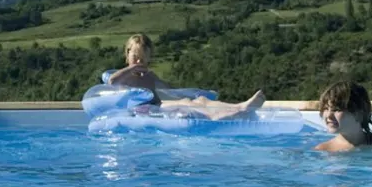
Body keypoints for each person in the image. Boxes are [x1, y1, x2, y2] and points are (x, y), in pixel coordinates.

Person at [107, 33, 265, 120]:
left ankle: (241, 106)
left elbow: (169, 89)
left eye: (143, 57)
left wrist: (192, 94)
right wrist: (130, 68)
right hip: (142, 111)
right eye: (135, 57)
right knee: (188, 108)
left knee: (197, 101)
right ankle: (219, 116)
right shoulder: (126, 77)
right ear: (127, 55)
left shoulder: (149, 75)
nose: (139, 61)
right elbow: (111, 81)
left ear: (150, 57)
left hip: (157, 105)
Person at [314, 80, 372, 152]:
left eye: (336, 110)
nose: (329, 115)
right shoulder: (323, 150)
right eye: (325, 109)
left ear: (358, 114)